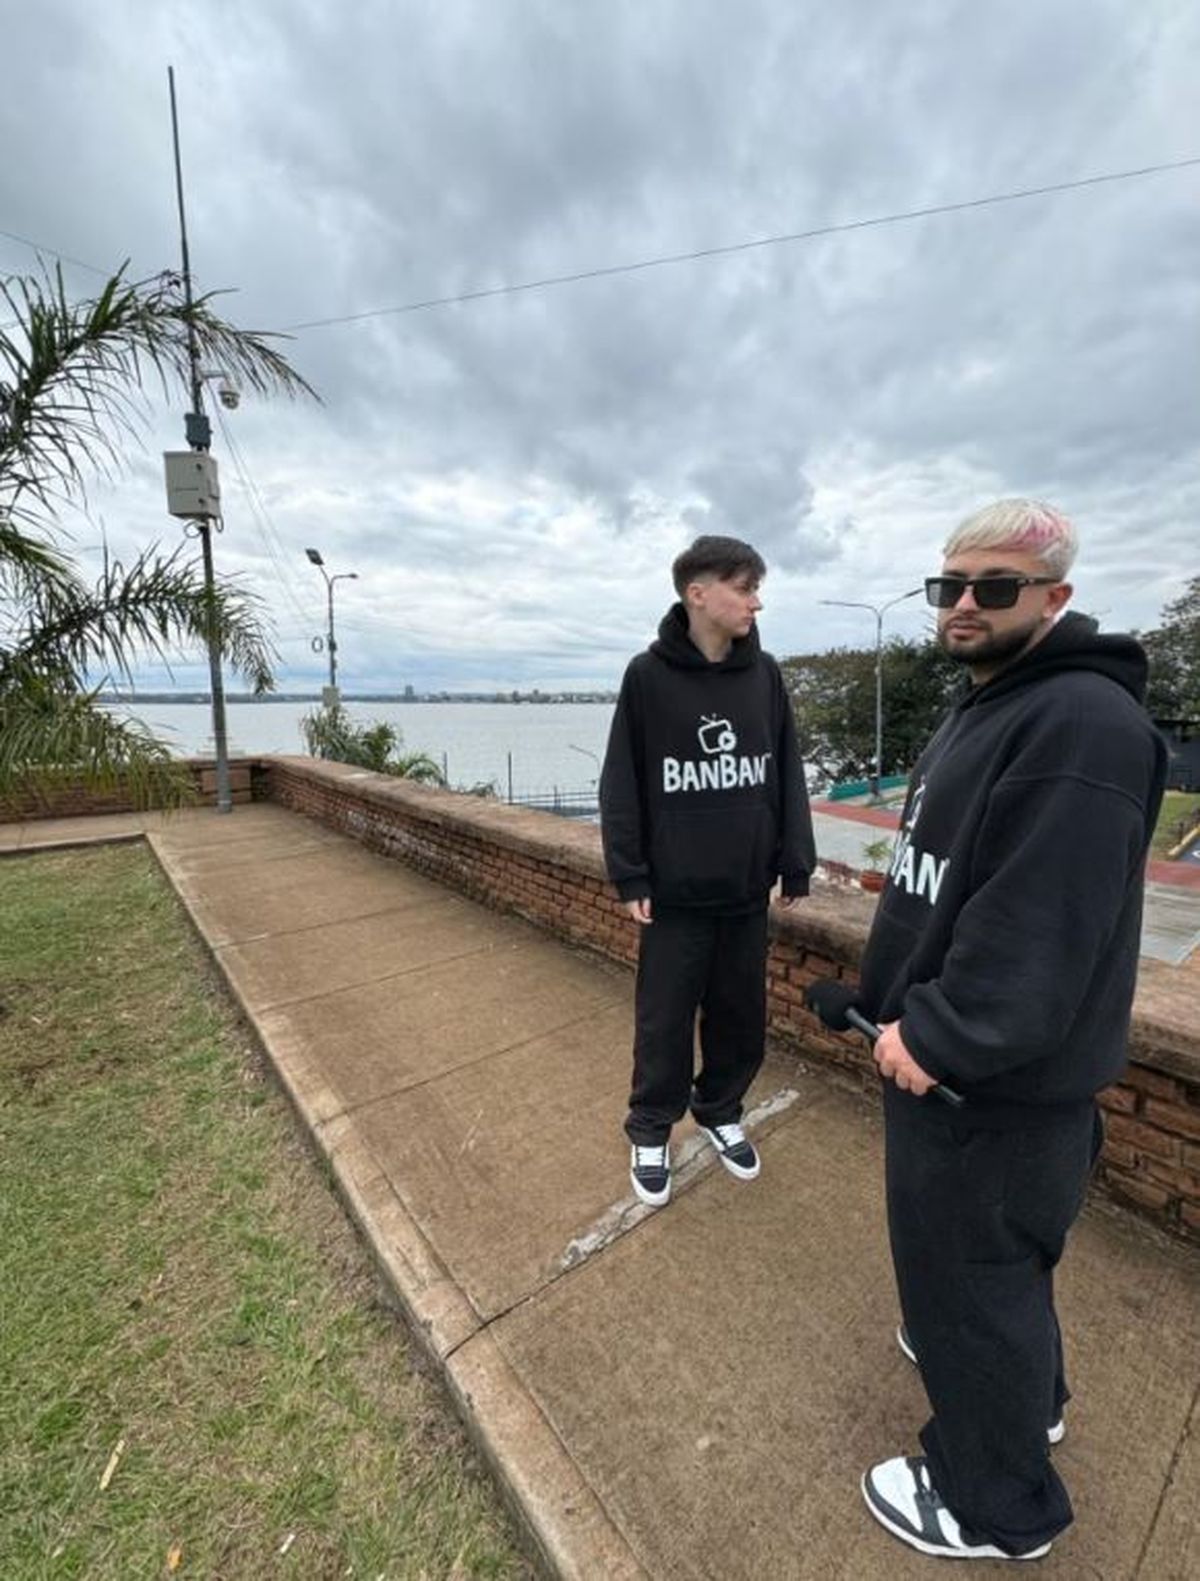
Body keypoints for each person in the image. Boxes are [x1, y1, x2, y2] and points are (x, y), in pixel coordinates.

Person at [856, 500, 1167, 1561]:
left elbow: (1037, 929)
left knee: (974, 1283)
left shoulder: (1080, 725)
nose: (963, 606)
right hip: (959, 1079)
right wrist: (878, 985)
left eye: (995, 587)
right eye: (950, 586)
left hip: (988, 1092)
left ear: (1056, 596)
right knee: (987, 1283)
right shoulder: (985, 707)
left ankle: (995, 1505)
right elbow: (953, 882)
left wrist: (935, 1035)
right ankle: (1022, 1402)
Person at [599, 534, 815, 1207]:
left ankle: (721, 1108)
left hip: (746, 891)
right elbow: (623, 781)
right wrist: (630, 874)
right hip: (674, 896)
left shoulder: (766, 673)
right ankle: (651, 1127)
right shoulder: (647, 676)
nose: (756, 600)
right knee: (663, 1020)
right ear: (698, 593)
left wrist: (794, 861)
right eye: (743, 586)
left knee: (739, 1014)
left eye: (756, 587)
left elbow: (785, 769)